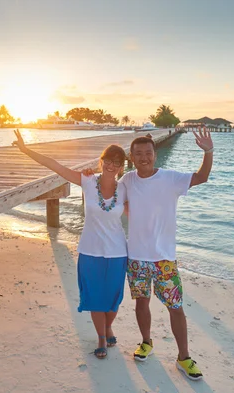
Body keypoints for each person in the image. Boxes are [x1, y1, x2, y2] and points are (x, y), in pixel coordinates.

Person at [12, 129, 128, 359]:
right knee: (95, 295)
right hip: (90, 250)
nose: (111, 166)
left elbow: (147, 202)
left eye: (117, 162)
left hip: (117, 252)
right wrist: (26, 150)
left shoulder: (125, 188)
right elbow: (56, 166)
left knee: (114, 298)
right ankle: (102, 338)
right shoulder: (87, 180)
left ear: (122, 166)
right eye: (108, 161)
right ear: (101, 161)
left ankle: (108, 326)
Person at [120, 127, 213, 380]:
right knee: (141, 302)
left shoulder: (170, 178)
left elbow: (201, 177)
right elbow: (110, 195)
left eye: (148, 153)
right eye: (138, 154)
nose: (143, 158)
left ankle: (184, 357)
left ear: (155, 155)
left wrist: (209, 152)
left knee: (176, 308)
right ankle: (146, 342)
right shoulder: (127, 180)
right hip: (137, 257)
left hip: (164, 259)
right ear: (131, 157)